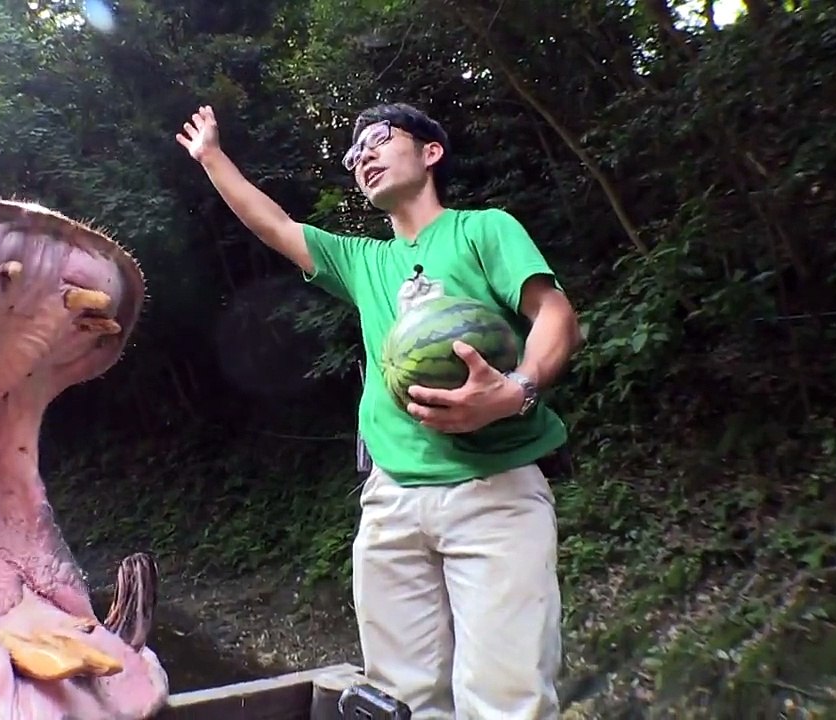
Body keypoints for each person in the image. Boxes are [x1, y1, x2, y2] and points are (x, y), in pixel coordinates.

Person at [175, 102, 584, 719]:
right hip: (391, 501)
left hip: (493, 490)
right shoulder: (364, 261)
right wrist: (211, 157)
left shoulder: (483, 230)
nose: (361, 155)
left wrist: (515, 389)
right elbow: (275, 225)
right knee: (402, 701)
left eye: (377, 139)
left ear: (430, 152)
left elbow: (556, 315)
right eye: (352, 152)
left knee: (508, 699)